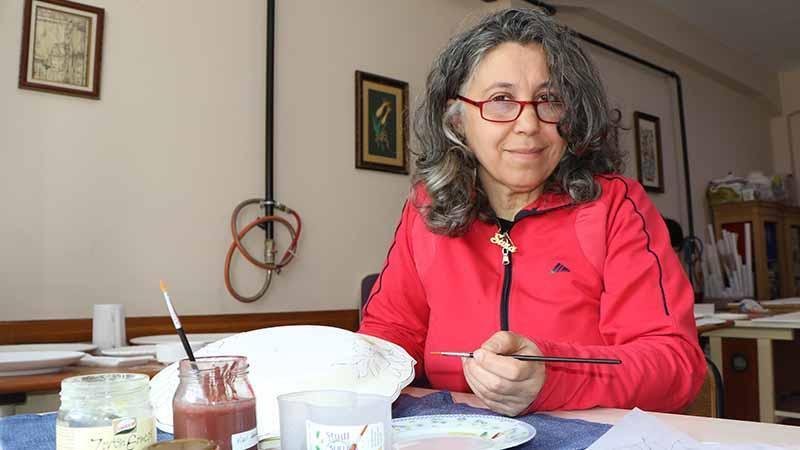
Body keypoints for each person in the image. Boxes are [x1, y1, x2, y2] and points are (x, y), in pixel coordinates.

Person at [358, 8, 705, 417]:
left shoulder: (615, 206)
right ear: (457, 119)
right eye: (500, 100)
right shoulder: (426, 209)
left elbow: (674, 364)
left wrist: (551, 376)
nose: (528, 124)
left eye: (549, 100)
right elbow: (389, 335)